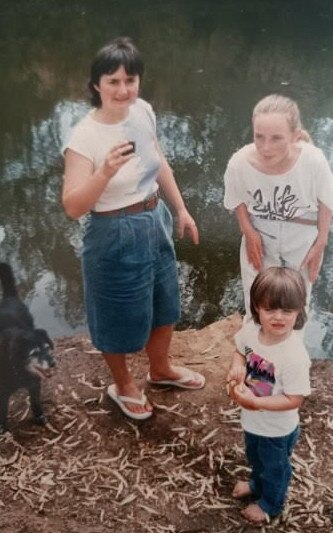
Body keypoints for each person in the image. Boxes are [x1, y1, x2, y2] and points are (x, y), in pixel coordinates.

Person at [62, 37, 204, 421]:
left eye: (130, 79)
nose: (123, 90)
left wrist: (181, 208)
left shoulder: (142, 111)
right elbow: (73, 206)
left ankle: (161, 370)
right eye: (113, 81)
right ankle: (123, 384)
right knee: (116, 314)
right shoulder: (84, 137)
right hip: (113, 230)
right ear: (97, 85)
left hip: (154, 217)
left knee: (165, 303)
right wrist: (105, 171)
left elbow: (157, 161)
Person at [224, 94, 333, 315]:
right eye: (259, 137)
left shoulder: (313, 160)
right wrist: (248, 232)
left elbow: (327, 201)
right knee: (257, 296)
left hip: (302, 232)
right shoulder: (239, 163)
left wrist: (321, 241)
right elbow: (236, 200)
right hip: (260, 229)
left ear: (295, 136)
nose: (265, 148)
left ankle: (290, 347)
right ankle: (254, 347)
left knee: (296, 300)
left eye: (276, 138)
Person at [226, 267, 311, 524]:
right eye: (269, 309)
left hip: (277, 429)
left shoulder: (294, 356)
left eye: (287, 310)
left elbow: (294, 399)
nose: (278, 317)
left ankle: (270, 505)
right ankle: (255, 482)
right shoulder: (252, 330)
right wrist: (237, 366)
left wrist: (254, 402)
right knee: (255, 456)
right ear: (256, 308)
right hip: (253, 421)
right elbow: (240, 351)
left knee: (276, 467)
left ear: (299, 312)